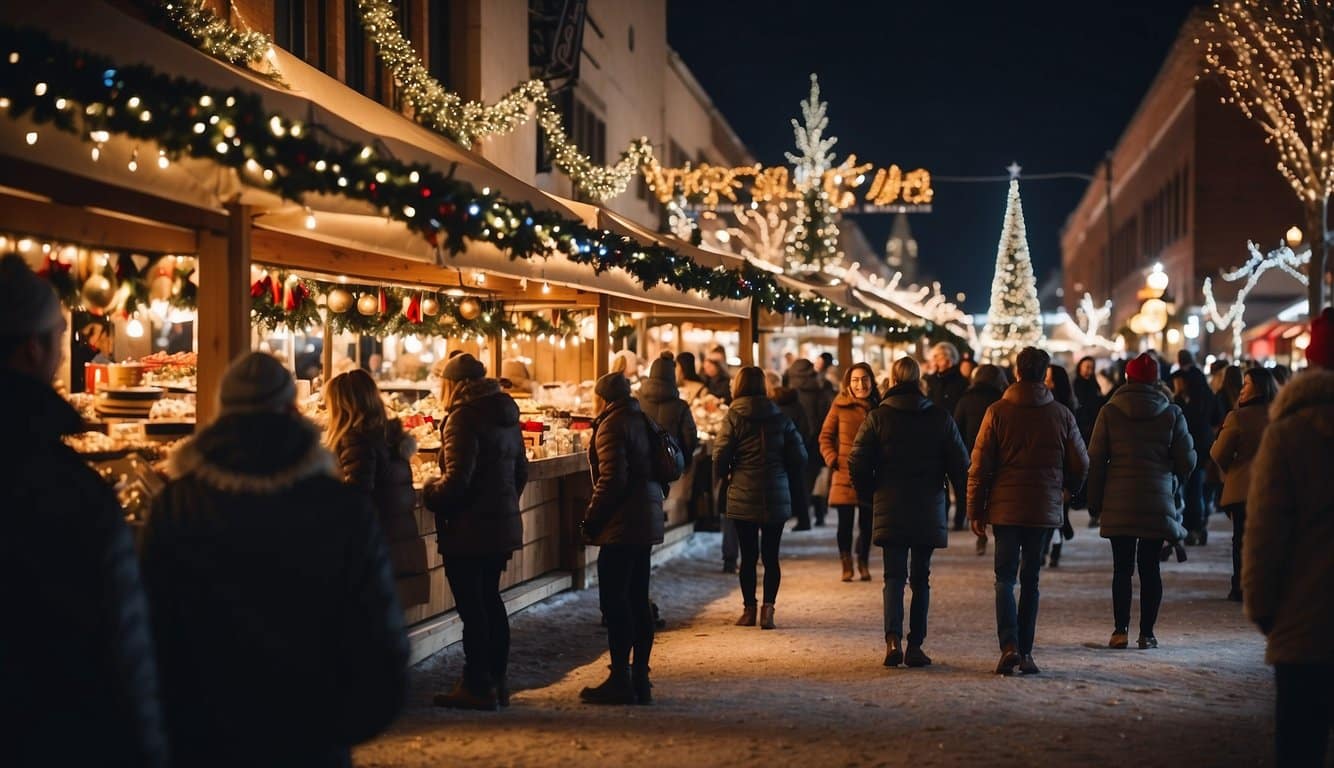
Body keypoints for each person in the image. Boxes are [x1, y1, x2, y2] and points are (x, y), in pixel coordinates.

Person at [144, 352, 408, 766]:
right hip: (309, 732)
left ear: (221, 412)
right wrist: (346, 723)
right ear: (291, 409)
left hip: (204, 732)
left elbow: (152, 627)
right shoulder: (339, 507)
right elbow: (378, 633)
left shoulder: (176, 504)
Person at [0, 254, 167, 767]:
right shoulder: (66, 488)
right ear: (34, 348)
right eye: (58, 337)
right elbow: (122, 645)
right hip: (52, 732)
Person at [1244, 308, 1334, 768]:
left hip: (1307, 621)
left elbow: (1266, 531)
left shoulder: (1290, 431)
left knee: (1300, 744)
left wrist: (1262, 606)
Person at [968, 346, 1088, 675]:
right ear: (1044, 373)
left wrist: (975, 509)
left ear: (1017, 372)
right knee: (1031, 580)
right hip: (1042, 508)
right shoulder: (1062, 414)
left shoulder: (997, 411)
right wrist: (1067, 491)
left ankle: (1008, 645)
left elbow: (979, 466)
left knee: (1004, 579)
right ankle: (1026, 652)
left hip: (1005, 508)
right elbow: (1082, 462)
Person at [423, 353, 528, 710]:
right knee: (491, 602)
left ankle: (476, 684)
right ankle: (497, 681)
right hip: (499, 524)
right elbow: (521, 473)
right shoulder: (505, 413)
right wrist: (502, 504)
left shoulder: (463, 417)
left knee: (474, 610)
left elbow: (457, 481)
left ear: (452, 384)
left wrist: (430, 490)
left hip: (468, 528)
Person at [850, 356, 968, 669]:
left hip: (890, 500)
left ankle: (892, 640)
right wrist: (965, 503)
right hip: (928, 503)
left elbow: (856, 459)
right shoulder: (939, 417)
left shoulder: (878, 417)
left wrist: (869, 491)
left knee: (893, 576)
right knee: (921, 578)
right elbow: (960, 464)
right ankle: (915, 644)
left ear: (891, 379)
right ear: (919, 380)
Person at [1086, 353, 1195, 651]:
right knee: (1150, 569)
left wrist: (1094, 501)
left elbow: (1095, 460)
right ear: (1156, 380)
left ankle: (1120, 630)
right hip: (1156, 501)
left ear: (1127, 378)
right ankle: (1147, 633)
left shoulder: (1110, 411)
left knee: (1122, 569)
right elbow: (1187, 460)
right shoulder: (1171, 413)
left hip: (1118, 498)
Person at [579, 371, 664, 705]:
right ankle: (640, 677)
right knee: (637, 599)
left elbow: (612, 480)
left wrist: (591, 519)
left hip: (623, 523)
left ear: (602, 398)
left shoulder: (612, 425)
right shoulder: (641, 418)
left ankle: (620, 678)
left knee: (615, 603)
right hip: (644, 518)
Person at [325, 369, 429, 611]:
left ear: (342, 405)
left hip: (372, 548)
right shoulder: (389, 438)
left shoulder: (356, 440)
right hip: (396, 542)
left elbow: (355, 496)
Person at [713, 366, 807, 630]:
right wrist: (781, 469)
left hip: (743, 490)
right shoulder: (780, 416)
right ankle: (768, 610)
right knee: (771, 555)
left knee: (748, 555)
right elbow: (800, 456)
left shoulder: (733, 416)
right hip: (776, 491)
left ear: (739, 386)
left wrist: (727, 473)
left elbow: (720, 454)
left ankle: (748, 609)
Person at [1212, 367, 1276, 603]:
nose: (1242, 389)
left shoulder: (1238, 417)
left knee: (1241, 539)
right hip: (1273, 488)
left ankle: (1241, 585)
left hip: (1243, 488)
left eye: (1246, 384)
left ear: (1257, 387)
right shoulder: (1281, 415)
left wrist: (1232, 466)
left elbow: (1219, 453)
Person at [820, 362, 879, 581]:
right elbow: (825, 436)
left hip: (870, 475)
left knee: (867, 524)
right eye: (855, 380)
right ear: (848, 383)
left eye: (864, 379)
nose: (860, 384)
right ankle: (846, 562)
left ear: (872, 381)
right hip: (843, 472)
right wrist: (832, 458)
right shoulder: (840, 405)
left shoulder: (879, 406)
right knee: (844, 524)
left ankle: (862, 560)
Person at [954, 364, 1007, 552]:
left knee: (978, 493)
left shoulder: (966, 400)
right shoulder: (1002, 400)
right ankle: (1000, 533)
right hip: (998, 456)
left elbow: (957, 428)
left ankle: (980, 532)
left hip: (972, 453)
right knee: (997, 495)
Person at [1172, 366, 1224, 545]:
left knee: (1191, 490)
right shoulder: (1208, 396)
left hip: (1191, 450)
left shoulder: (1185, 401)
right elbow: (1218, 420)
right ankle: (1199, 526)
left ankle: (1192, 527)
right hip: (1204, 449)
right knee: (1198, 490)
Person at [786, 357, 835, 528]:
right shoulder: (819, 388)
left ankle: (803, 517)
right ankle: (819, 514)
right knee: (817, 479)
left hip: (800, 440)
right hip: (816, 442)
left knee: (802, 481)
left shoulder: (793, 391)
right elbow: (823, 417)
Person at [1043, 364, 1079, 567]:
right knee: (1051, 513)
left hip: (1061, 467)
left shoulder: (1065, 408)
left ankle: (1054, 548)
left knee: (1057, 513)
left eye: (1049, 378)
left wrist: (1072, 482)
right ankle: (1049, 546)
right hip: (1048, 467)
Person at [640, 352, 699, 474]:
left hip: (643, 464)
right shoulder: (681, 406)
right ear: (672, 375)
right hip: (672, 465)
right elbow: (690, 438)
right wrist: (685, 461)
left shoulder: (638, 402)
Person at [1072, 356, 1106, 512]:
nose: (1088, 370)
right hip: (1079, 430)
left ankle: (1086, 496)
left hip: (1092, 430)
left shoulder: (1094, 386)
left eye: (1091, 367)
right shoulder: (1075, 385)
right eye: (1086, 367)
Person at [925, 341, 968, 416]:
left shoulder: (960, 381)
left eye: (938, 355)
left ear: (949, 357)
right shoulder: (931, 379)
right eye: (934, 356)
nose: (934, 359)